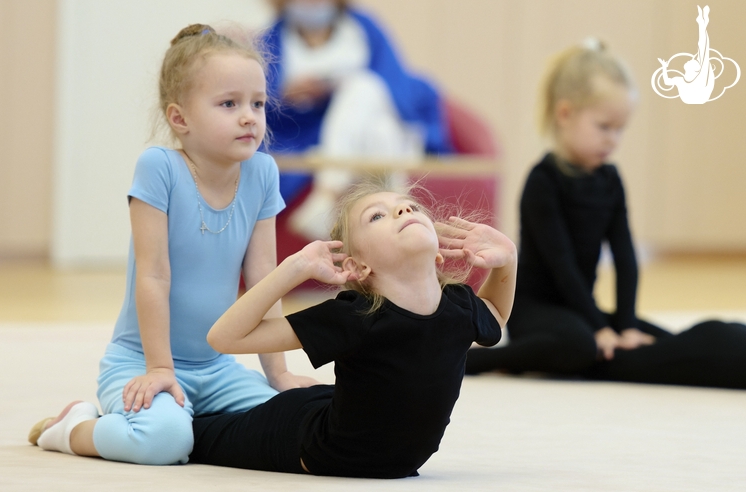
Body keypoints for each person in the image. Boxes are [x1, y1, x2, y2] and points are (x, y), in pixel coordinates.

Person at [27, 23, 317, 465]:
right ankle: (72, 428)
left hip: (218, 365)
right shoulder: (159, 167)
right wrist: (160, 369)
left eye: (257, 103)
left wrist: (277, 374)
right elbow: (154, 275)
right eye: (229, 103)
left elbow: (264, 283)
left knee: (291, 421)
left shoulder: (262, 173)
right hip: (141, 360)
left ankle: (183, 419)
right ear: (180, 118)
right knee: (163, 442)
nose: (249, 116)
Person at [188, 175, 516, 478]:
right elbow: (224, 337)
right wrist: (294, 268)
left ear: (438, 257)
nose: (404, 209)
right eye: (377, 216)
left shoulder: (459, 307)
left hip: (340, 411)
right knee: (189, 436)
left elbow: (497, 316)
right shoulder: (354, 316)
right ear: (358, 266)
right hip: (308, 439)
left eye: (411, 207)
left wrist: (509, 258)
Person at [465, 40, 746, 389]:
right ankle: (479, 360)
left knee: (658, 340)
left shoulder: (610, 179)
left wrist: (625, 325)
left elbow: (626, 255)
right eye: (604, 126)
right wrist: (599, 328)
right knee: (581, 346)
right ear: (565, 114)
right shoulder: (543, 181)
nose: (613, 139)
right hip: (537, 311)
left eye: (620, 129)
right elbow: (562, 266)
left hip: (581, 306)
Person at [262, 0, 453, 240]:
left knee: (362, 88)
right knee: (376, 128)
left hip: (385, 130)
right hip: (313, 133)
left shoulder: (363, 29)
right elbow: (263, 103)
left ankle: (328, 196)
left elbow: (394, 84)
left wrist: (340, 91)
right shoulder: (271, 41)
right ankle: (397, 217)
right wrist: (288, 97)